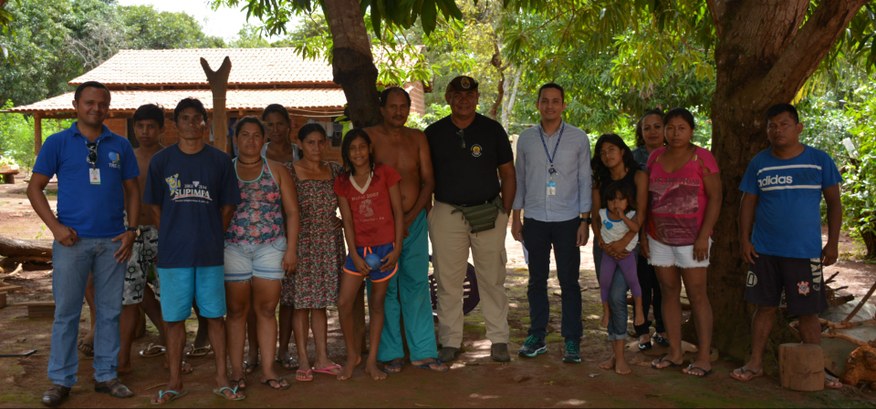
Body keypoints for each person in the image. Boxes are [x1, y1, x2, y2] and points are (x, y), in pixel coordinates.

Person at [28, 81, 139, 406]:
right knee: (66, 313)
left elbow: (132, 190)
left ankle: (106, 375)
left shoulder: (120, 145)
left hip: (113, 242)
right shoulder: (58, 143)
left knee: (108, 312)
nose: (96, 108)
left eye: (102, 103)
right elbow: (35, 189)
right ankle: (61, 381)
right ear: (76, 104)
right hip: (71, 242)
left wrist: (131, 230)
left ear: (108, 107)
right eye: (89, 102)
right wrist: (56, 228)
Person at [733, 103, 843, 389]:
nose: (777, 130)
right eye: (772, 125)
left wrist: (832, 243)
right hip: (764, 251)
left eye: (783, 124)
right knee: (764, 308)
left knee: (808, 311)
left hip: (804, 252)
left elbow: (834, 203)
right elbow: (748, 203)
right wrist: (745, 240)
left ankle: (818, 367)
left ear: (798, 128)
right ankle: (755, 363)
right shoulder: (759, 162)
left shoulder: (819, 161)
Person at [144, 97, 243, 404]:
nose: (190, 123)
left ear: (204, 122)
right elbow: (154, 207)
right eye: (184, 118)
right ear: (176, 124)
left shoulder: (219, 161)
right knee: (174, 320)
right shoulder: (162, 162)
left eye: (196, 118)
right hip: (174, 257)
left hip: (210, 254)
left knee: (214, 317)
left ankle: (222, 379)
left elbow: (228, 206)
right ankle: (175, 381)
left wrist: (211, 232)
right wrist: (173, 234)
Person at [425, 75, 516, 363]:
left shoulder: (492, 131)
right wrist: (430, 211)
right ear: (449, 98)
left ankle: (499, 339)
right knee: (448, 280)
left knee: (492, 278)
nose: (464, 100)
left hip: (489, 212)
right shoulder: (433, 133)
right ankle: (451, 341)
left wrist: (506, 212)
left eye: (470, 95)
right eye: (457, 95)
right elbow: (424, 176)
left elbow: (508, 174)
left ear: (477, 97)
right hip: (446, 212)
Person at [364, 87, 446, 373]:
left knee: (416, 284)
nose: (399, 112)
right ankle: (389, 353)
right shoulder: (370, 139)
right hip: (379, 226)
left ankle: (423, 351)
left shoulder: (417, 138)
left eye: (404, 106)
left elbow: (428, 181)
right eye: (393, 106)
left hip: (415, 222)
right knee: (383, 288)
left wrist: (410, 218)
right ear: (382, 109)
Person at [510, 83, 590, 364]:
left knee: (569, 281)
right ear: (538, 104)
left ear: (564, 106)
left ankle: (571, 339)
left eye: (556, 101)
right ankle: (537, 335)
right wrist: (516, 217)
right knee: (536, 281)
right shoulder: (527, 139)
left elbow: (584, 180)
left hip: (568, 219)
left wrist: (584, 220)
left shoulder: (579, 138)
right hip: (534, 219)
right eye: (545, 101)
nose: (550, 106)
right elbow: (520, 178)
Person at [224, 116, 299, 391]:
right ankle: (236, 372)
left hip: (271, 247)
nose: (251, 140)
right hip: (233, 247)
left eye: (257, 135)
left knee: (267, 310)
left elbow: (292, 211)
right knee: (235, 312)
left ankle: (268, 370)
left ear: (263, 139)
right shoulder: (225, 169)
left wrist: (291, 249)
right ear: (236, 139)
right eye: (245, 135)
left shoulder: (277, 170)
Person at [646, 108, 721, 377]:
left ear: (691, 131)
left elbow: (716, 198)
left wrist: (704, 235)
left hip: (693, 241)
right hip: (659, 238)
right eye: (671, 128)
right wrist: (645, 232)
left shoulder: (702, 157)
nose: (675, 133)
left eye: (681, 128)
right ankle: (675, 352)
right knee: (668, 293)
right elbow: (647, 199)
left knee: (698, 295)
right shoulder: (655, 157)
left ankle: (703, 357)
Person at [334, 128, 404, 380]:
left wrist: (397, 248)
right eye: (352, 149)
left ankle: (371, 361)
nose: (358, 152)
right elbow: (348, 222)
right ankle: (353, 355)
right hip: (358, 252)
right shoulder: (342, 181)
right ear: (347, 153)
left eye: (362, 147)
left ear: (370, 149)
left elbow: (398, 212)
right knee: (344, 302)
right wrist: (354, 253)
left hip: (385, 249)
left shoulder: (385, 173)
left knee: (376, 304)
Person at [281, 123, 345, 380]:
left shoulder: (335, 170)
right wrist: (290, 249)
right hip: (300, 243)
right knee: (300, 305)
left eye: (321, 142)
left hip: (328, 243)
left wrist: (339, 221)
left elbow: (345, 206)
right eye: (311, 143)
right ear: (300, 144)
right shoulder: (289, 172)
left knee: (319, 305)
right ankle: (304, 361)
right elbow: (284, 211)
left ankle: (322, 357)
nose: (317, 147)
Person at [590, 133, 648, 375]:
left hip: (629, 246)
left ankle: (621, 357)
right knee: (609, 296)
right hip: (604, 247)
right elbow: (595, 218)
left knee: (616, 295)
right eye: (602, 152)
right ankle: (616, 355)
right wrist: (603, 243)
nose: (607, 155)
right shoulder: (600, 182)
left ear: (623, 151)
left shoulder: (638, 176)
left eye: (611, 149)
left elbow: (642, 214)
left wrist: (625, 242)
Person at [119, 104, 167, 374]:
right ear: (134, 128)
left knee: (170, 296)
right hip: (131, 231)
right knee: (129, 297)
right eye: (140, 126)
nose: (145, 131)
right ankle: (123, 358)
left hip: (164, 232)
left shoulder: (170, 158)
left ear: (161, 129)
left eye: (151, 126)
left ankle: (174, 355)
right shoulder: (127, 157)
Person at [630, 109, 668, 351]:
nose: (652, 132)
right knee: (642, 281)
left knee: (664, 283)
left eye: (657, 126)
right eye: (647, 128)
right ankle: (642, 330)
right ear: (640, 133)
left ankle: (664, 329)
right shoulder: (632, 159)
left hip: (668, 228)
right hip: (640, 226)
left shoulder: (676, 154)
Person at [597, 183, 643, 328]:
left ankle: (639, 309)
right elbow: (600, 228)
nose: (615, 203)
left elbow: (635, 228)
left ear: (627, 201)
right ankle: (606, 310)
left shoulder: (630, 214)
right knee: (604, 282)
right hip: (608, 254)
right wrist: (604, 244)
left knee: (633, 280)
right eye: (611, 200)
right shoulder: (602, 213)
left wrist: (623, 216)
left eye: (620, 200)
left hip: (626, 254)